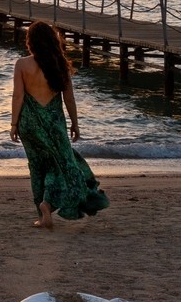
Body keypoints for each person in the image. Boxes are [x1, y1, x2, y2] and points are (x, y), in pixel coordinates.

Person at [11, 20, 109, 228]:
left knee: (37, 166)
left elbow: (18, 96)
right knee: (63, 165)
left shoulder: (22, 64)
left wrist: (13, 124)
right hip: (54, 123)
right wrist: (75, 123)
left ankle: (42, 212)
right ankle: (49, 204)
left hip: (29, 123)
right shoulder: (60, 65)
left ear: (31, 42)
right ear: (53, 41)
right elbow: (69, 99)